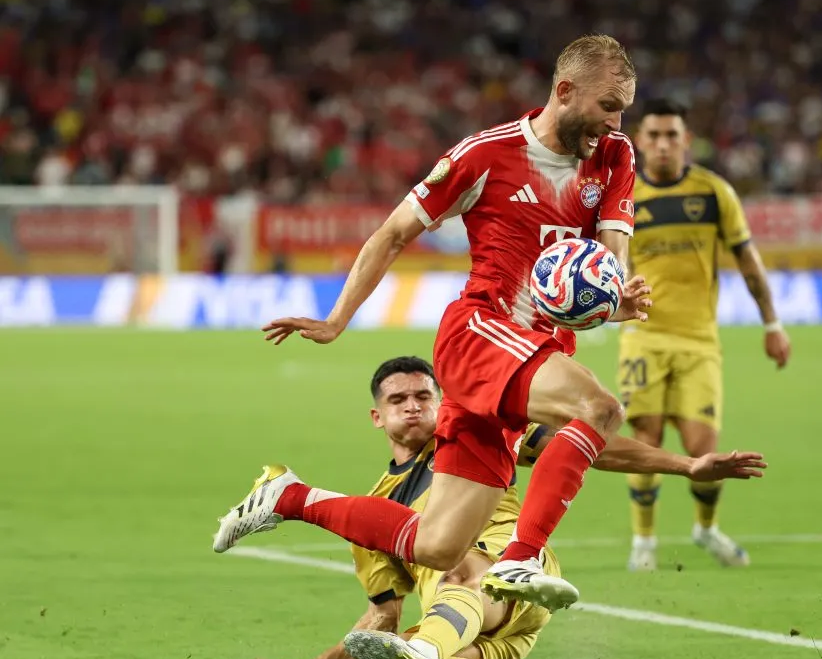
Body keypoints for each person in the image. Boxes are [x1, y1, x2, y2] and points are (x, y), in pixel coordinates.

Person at [221, 34, 758, 613]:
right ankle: (521, 558)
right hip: (481, 332)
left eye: (623, 107)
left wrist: (613, 296)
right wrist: (335, 320)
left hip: (536, 351)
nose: (616, 121)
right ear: (565, 91)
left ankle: (289, 495)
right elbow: (393, 233)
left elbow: (609, 257)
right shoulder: (483, 154)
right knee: (599, 407)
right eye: (608, 106)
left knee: (436, 542)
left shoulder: (616, 156)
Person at [234, 356, 764, 659]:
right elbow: (382, 619)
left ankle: (435, 640)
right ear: (378, 417)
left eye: (423, 396)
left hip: (515, 577)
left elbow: (583, 447)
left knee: (456, 563)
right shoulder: (374, 509)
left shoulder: (477, 437)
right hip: (487, 633)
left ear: (441, 403)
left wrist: (686, 465)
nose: (413, 407)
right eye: (399, 401)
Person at [619, 99, 792, 572]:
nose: (662, 144)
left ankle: (705, 528)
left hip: (699, 340)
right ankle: (644, 541)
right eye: (653, 135)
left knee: (702, 447)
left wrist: (772, 323)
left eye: (671, 135)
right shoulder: (624, 197)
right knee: (646, 437)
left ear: (686, 140)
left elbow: (749, 261)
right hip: (643, 336)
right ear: (640, 140)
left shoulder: (714, 192)